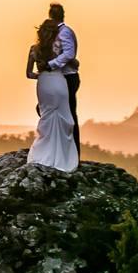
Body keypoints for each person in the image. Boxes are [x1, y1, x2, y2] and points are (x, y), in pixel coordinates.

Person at [25, 18, 79, 172]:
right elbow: (74, 64)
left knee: (46, 117)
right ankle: (64, 157)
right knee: (64, 117)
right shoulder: (59, 50)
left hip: (43, 85)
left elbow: (29, 74)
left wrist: (41, 76)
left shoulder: (34, 49)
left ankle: (43, 153)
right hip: (59, 83)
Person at [36, 3, 81, 159]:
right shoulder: (57, 33)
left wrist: (51, 64)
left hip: (68, 77)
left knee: (68, 115)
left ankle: (71, 152)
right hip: (58, 78)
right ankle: (57, 147)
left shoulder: (64, 32)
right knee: (55, 112)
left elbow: (69, 54)